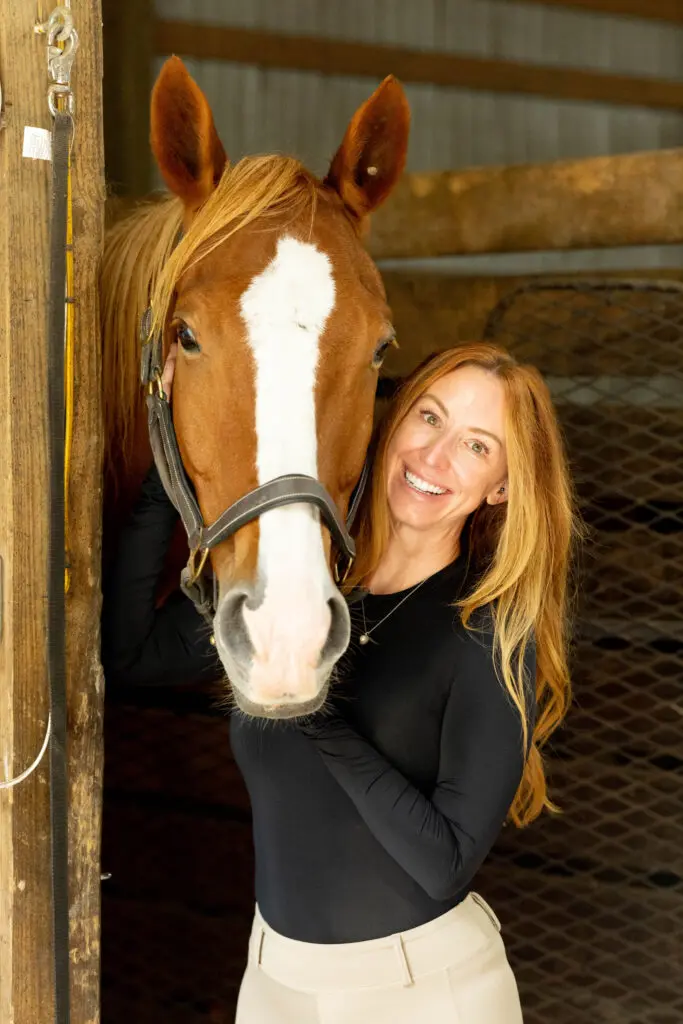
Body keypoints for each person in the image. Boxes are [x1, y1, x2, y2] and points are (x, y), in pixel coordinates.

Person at [102, 341, 579, 1024]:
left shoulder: (486, 633)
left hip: (420, 993)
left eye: (476, 447)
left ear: (500, 486)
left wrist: (300, 699)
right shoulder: (302, 578)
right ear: (392, 420)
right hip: (271, 981)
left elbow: (446, 859)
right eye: (429, 418)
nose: (435, 456)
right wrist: (165, 466)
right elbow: (133, 655)